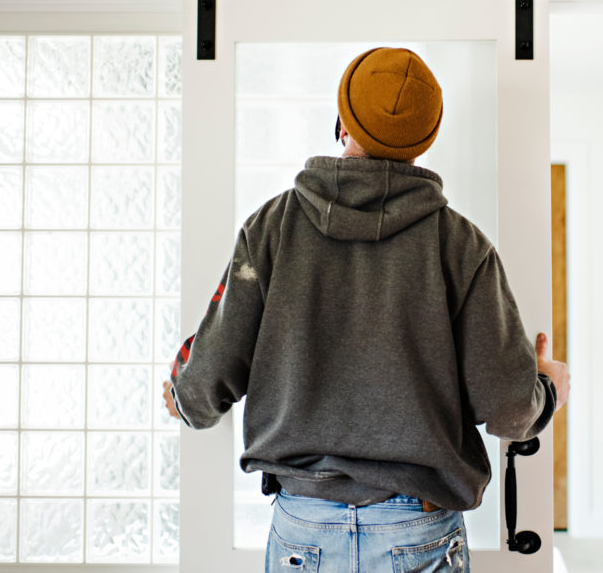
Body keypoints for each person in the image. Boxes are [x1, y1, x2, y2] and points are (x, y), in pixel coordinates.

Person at [161, 47, 570, 573]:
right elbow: (512, 411)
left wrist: (182, 392)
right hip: (419, 530)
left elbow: (207, 381)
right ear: (425, 142)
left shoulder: (271, 228)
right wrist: (548, 385)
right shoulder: (463, 246)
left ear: (342, 121)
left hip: (303, 532)